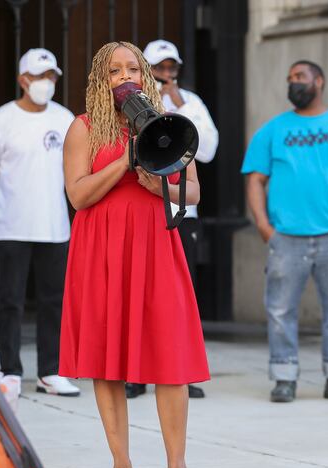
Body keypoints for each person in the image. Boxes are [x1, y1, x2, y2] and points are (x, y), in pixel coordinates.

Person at [58, 41, 208, 468]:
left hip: (154, 246)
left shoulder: (169, 128)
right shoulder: (83, 128)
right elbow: (78, 196)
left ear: (145, 76)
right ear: (100, 81)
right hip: (100, 250)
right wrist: (126, 160)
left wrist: (152, 180)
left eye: (133, 69)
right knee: (107, 362)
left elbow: (194, 193)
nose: (125, 77)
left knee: (169, 360)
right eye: (113, 71)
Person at [242, 60, 328, 403]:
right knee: (279, 311)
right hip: (285, 239)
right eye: (290, 79)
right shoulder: (272, 130)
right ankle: (284, 378)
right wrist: (263, 225)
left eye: (300, 77)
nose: (294, 83)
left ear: (319, 81)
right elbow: (255, 179)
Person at [0, 48, 79, 397]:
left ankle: (50, 371)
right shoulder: (1, 119)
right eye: (39, 77)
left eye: (51, 77)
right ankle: (10, 372)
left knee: (54, 300)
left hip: (54, 226)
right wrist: (3, 207)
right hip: (11, 227)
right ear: (23, 80)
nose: (46, 83)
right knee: (11, 301)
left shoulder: (65, 118)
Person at [121, 39, 220, 400]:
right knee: (140, 295)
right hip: (144, 212)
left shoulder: (190, 102)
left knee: (178, 297)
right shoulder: (131, 105)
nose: (166, 76)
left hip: (181, 214)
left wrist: (179, 106)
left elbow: (206, 150)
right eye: (158, 69)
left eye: (171, 69)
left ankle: (180, 370)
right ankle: (136, 373)